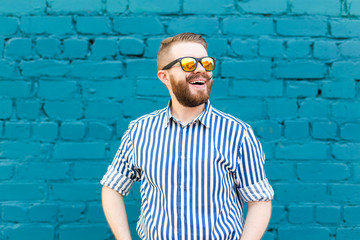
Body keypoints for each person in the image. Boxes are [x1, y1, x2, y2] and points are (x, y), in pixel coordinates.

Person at [101, 32, 274, 240]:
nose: (201, 69)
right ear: (164, 77)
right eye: (189, 64)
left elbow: (259, 200)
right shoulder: (139, 131)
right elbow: (112, 187)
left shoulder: (237, 133)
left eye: (207, 63)